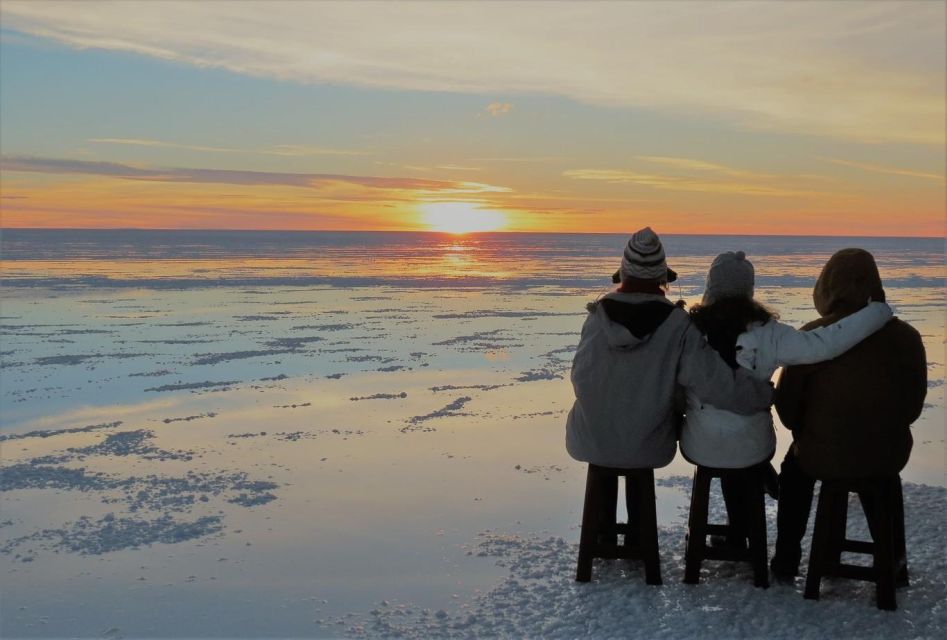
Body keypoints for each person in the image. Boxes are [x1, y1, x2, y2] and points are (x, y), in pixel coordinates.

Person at [679, 250, 893, 546]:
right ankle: (743, 527)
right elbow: (825, 344)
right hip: (753, 445)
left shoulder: (688, 332)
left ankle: (735, 533)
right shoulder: (771, 333)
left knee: (720, 435)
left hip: (700, 444)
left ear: (710, 287)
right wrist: (877, 313)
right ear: (749, 290)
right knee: (742, 446)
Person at [770, 248, 927, 579]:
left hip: (823, 454)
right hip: (885, 455)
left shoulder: (814, 335)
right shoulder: (907, 338)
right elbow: (912, 406)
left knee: (794, 470)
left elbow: (787, 409)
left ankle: (786, 559)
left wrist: (812, 431)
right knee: (883, 479)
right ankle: (894, 563)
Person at [565, 228, 774, 471]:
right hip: (649, 447)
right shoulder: (676, 324)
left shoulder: (597, 318)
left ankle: (597, 509)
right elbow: (713, 383)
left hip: (587, 442)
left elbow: (580, 377)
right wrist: (763, 395)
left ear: (621, 275)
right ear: (663, 278)